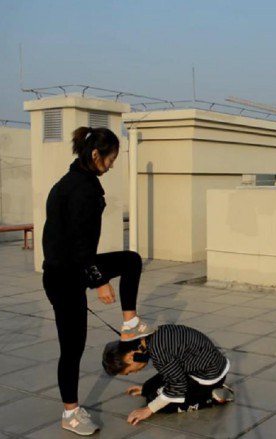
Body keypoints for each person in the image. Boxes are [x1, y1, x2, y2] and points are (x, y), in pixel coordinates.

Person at [42, 126, 154, 436]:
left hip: (72, 268)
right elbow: (79, 244)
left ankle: (130, 323)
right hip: (64, 277)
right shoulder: (81, 188)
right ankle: (70, 413)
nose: (112, 165)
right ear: (95, 155)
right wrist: (99, 280)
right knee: (72, 348)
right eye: (111, 159)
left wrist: (93, 274)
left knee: (130, 261)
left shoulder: (73, 181)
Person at [102, 324, 234, 425]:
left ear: (130, 357)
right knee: (149, 388)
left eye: (130, 370)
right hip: (201, 366)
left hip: (208, 377)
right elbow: (169, 369)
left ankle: (210, 397)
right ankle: (150, 390)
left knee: (156, 402)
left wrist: (148, 410)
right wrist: (146, 388)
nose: (135, 372)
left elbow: (178, 386)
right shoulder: (151, 336)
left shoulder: (159, 354)